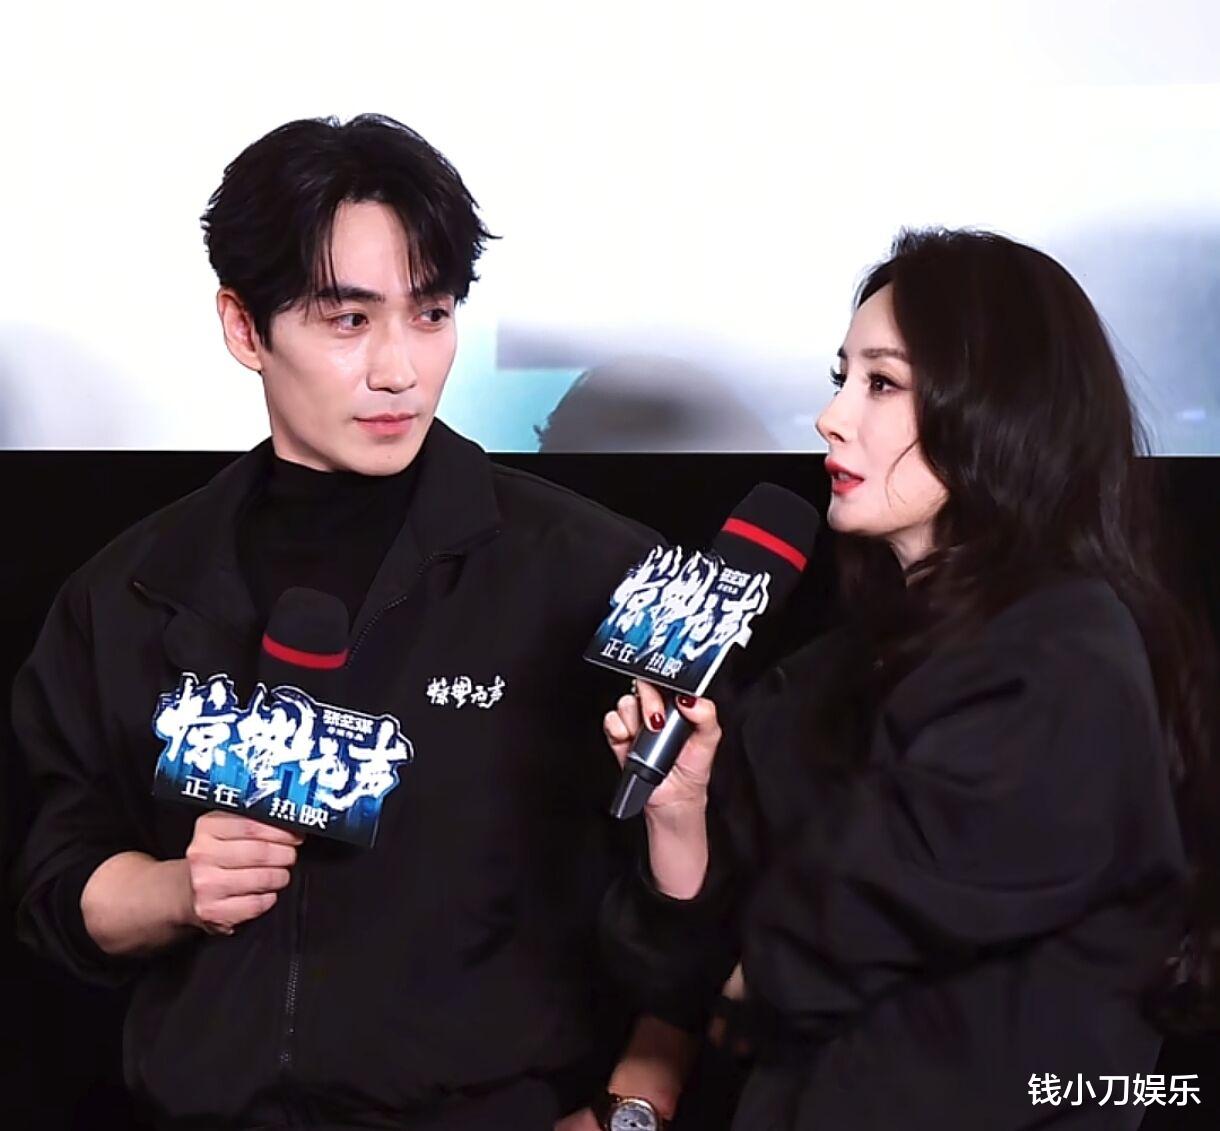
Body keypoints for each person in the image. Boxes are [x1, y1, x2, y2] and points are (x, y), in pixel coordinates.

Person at [12, 113, 692, 1130]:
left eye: (431, 314)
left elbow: (709, 887)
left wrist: (635, 1107)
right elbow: (56, 879)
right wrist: (178, 890)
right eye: (347, 320)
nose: (399, 369)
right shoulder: (131, 591)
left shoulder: (594, 572)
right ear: (245, 328)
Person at [601, 229, 1218, 1129]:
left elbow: (843, 931)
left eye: (882, 384)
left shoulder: (1065, 655)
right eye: (840, 378)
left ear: (998, 408)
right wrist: (681, 810)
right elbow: (701, 959)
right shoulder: (829, 675)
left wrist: (747, 970)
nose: (832, 417)